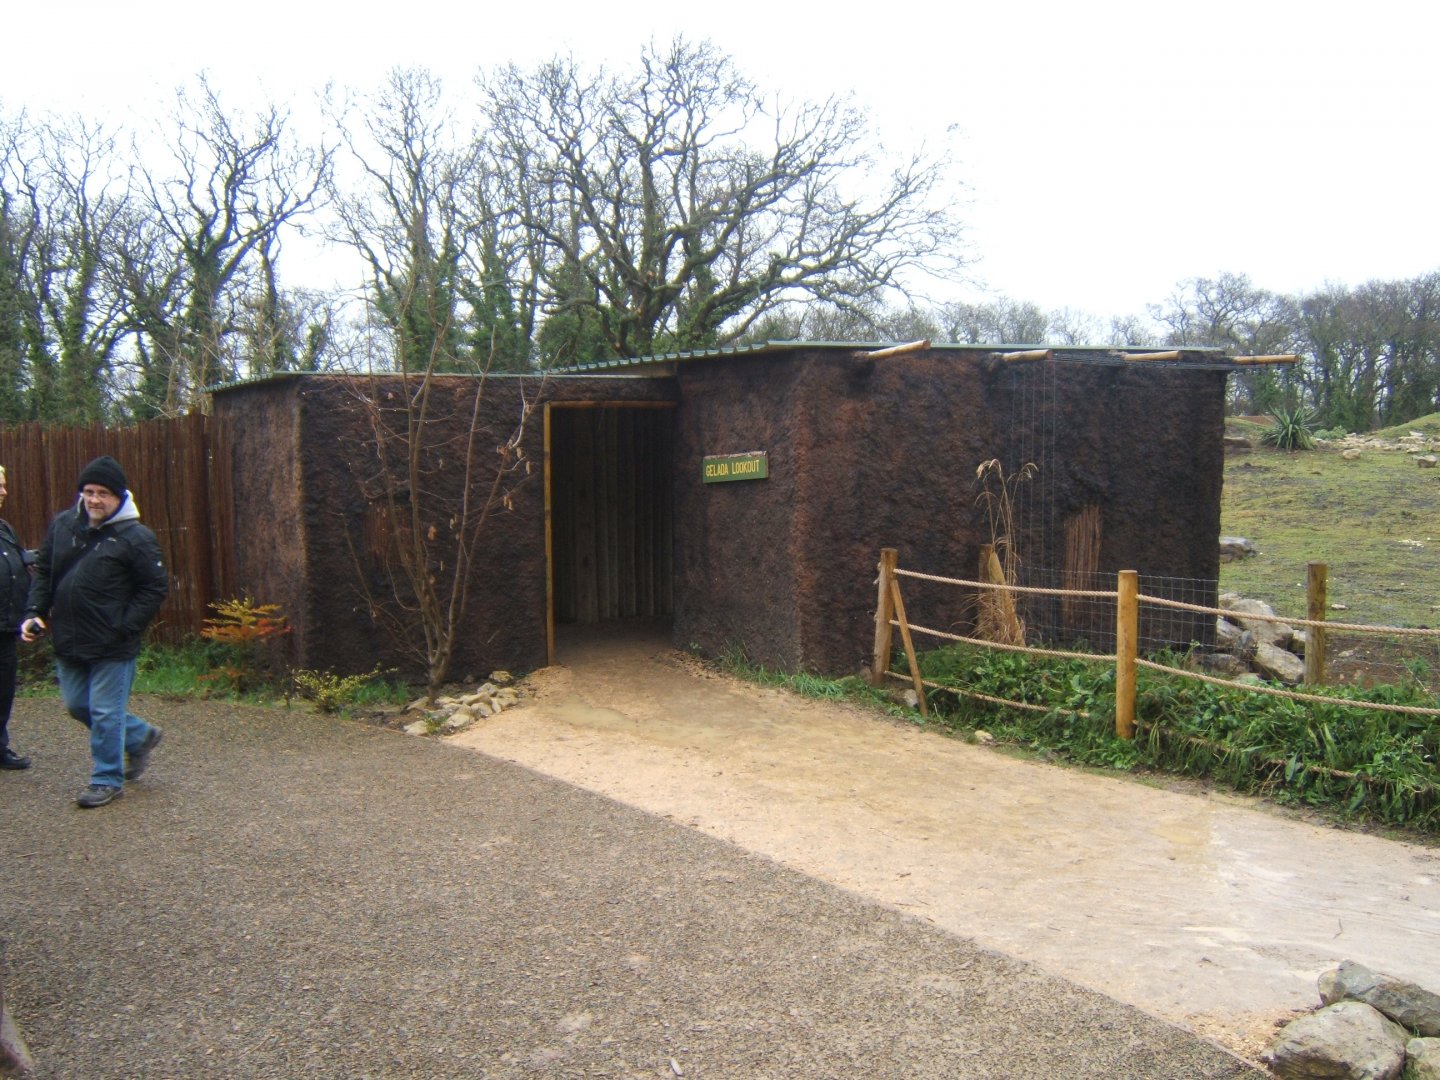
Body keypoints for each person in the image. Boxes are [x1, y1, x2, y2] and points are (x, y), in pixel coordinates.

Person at [20, 456, 168, 808]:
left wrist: (126, 626)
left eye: (103, 493)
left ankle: (106, 778)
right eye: (88, 491)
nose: (94, 500)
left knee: (104, 711)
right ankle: (139, 736)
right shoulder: (63, 526)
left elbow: (154, 587)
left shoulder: (136, 538)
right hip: (70, 638)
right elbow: (44, 572)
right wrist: (35, 612)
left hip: (114, 643)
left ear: (120, 497)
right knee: (76, 705)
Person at [0, 464, 34, 771]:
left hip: (6, 626)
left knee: (4, 689)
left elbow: (18, 565)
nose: (4, 491)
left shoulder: (5, 528)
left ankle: (0, 746)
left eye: (4, 485)